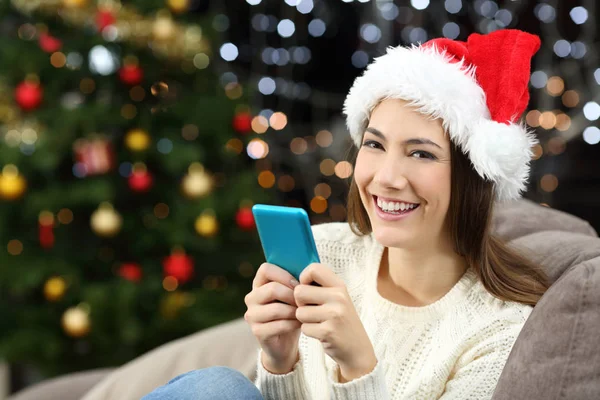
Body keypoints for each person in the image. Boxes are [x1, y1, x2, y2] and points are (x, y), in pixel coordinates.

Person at [142, 28, 551, 400]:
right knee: (220, 387)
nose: (386, 177)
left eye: (421, 153)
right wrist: (279, 361)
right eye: (374, 145)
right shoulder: (327, 252)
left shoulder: (500, 330)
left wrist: (359, 366)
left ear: (472, 177)